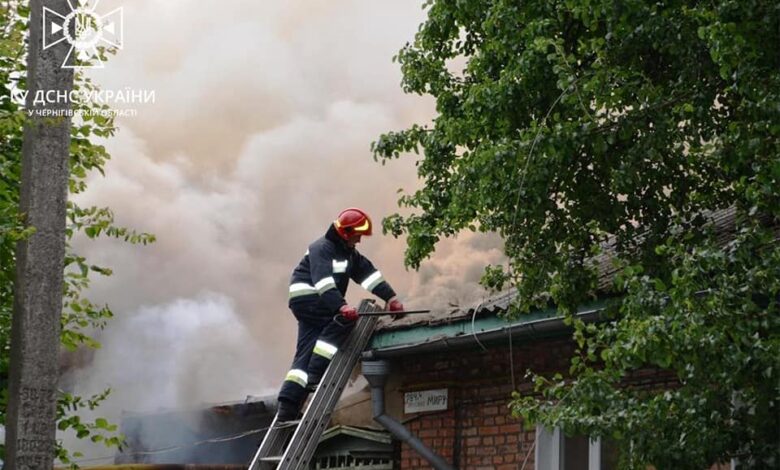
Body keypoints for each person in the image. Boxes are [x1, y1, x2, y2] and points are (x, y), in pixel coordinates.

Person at [276, 208, 405, 422]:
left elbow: (368, 275)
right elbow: (323, 282)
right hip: (309, 298)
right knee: (344, 322)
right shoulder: (322, 249)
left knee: (304, 354)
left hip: (315, 303)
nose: (359, 240)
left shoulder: (348, 254)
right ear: (345, 233)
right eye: (357, 235)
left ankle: (287, 407)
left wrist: (391, 298)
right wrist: (341, 307)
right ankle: (316, 375)